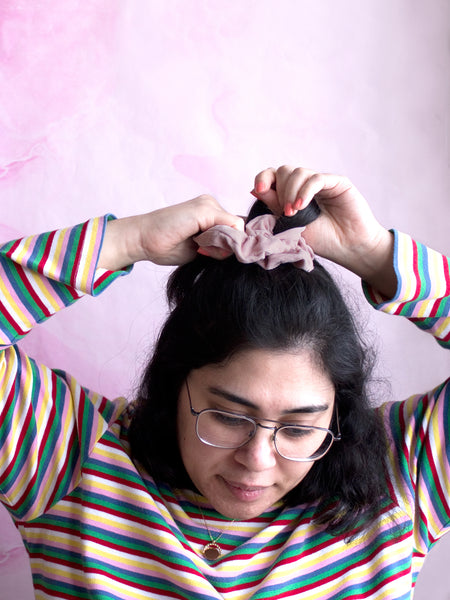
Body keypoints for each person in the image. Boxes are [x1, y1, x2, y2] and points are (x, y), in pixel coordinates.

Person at [0, 166, 448, 599]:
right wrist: (127, 240)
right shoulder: (70, 458)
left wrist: (371, 253)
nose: (256, 460)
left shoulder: (399, 478)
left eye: (298, 429)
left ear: (338, 412)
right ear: (176, 384)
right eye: (228, 417)